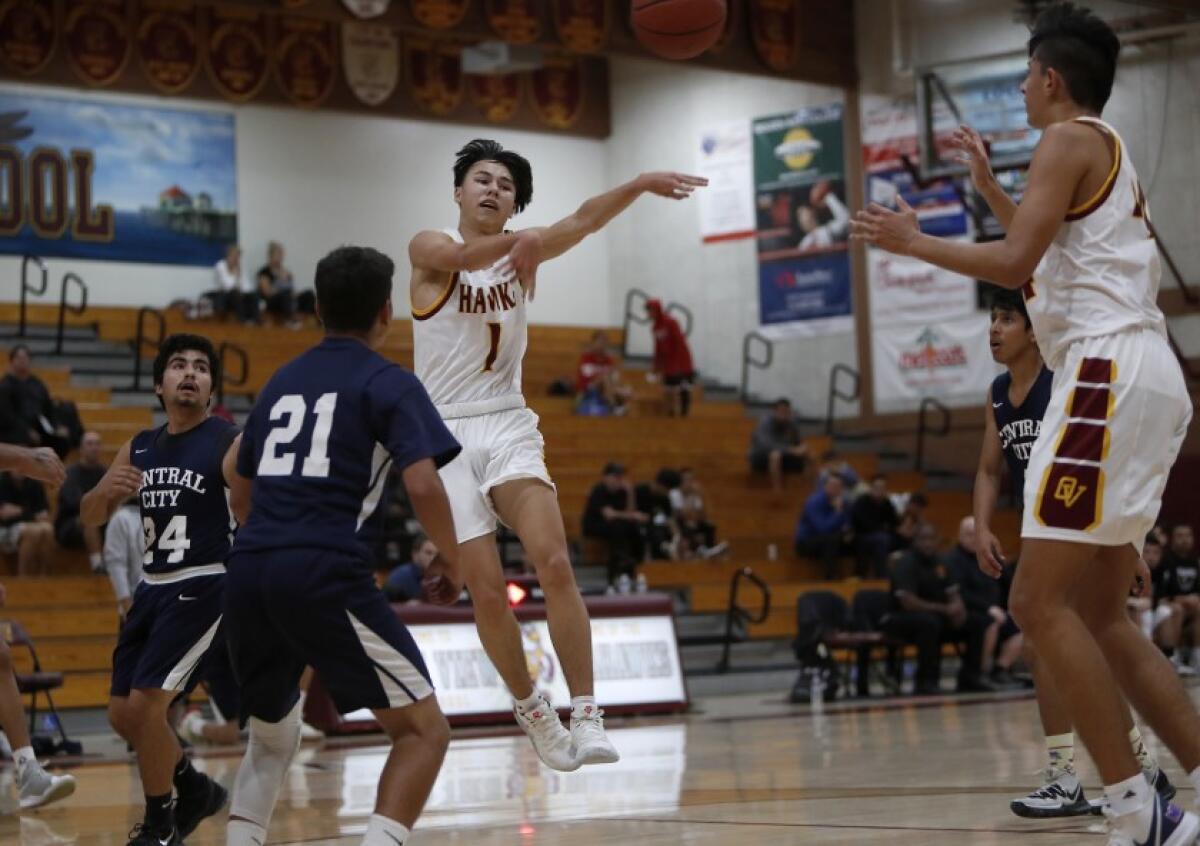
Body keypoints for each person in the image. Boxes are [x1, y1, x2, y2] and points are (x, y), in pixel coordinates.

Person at [854, 4, 1199, 839]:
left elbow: (1013, 266)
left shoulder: (1067, 138)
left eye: (1023, 75)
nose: (1018, 87)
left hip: (1103, 376)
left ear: (1050, 78)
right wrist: (987, 190)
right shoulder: (1096, 153)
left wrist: (915, 241)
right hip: (1149, 376)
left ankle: (1134, 807)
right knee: (1102, 613)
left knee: (1037, 602)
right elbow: (1045, 252)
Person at [407, 138, 704, 770]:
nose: (493, 189)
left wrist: (641, 179)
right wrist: (525, 243)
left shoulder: (525, 247)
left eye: (506, 185)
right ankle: (533, 710)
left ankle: (588, 710)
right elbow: (460, 255)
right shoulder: (427, 246)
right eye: (482, 180)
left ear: (515, 203)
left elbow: (585, 219)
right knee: (486, 591)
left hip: (508, 420)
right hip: (442, 434)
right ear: (458, 192)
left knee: (555, 561)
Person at [223, 246, 463, 846]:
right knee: (424, 732)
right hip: (324, 568)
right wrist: (452, 556)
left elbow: (237, 476)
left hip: (249, 571)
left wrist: (265, 540)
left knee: (274, 736)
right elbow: (424, 482)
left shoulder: (282, 379)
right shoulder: (388, 382)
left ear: (318, 310)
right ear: (387, 312)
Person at [975, 286, 1172, 817]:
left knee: (1055, 643)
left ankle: (1072, 777)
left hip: (1084, 527)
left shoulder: (1062, 384)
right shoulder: (997, 393)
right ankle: (1138, 767)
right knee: (1074, 646)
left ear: (1034, 329)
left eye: (1006, 319)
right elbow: (990, 468)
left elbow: (1107, 465)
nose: (994, 329)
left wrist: (1126, 546)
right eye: (992, 319)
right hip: (1043, 532)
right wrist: (983, 525)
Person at [81, 334, 237, 846]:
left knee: (150, 707)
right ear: (158, 385)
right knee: (122, 715)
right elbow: (89, 513)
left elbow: (258, 507)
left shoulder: (226, 441)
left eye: (201, 366)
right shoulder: (140, 446)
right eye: (178, 365)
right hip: (153, 588)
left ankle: (159, 825)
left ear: (211, 388)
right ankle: (194, 787)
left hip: (204, 584)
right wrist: (105, 493)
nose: (190, 372)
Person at [883, 524, 992, 694]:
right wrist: (944, 609)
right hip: (900, 618)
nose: (927, 543)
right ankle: (925, 681)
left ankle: (970, 677)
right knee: (929, 623)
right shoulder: (905, 562)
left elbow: (953, 591)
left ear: (937, 540)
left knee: (977, 621)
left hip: (937, 616)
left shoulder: (941, 562)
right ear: (915, 541)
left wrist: (959, 608)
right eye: (923, 539)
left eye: (931, 539)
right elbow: (907, 602)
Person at [944, 516, 1023, 685]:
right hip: (969, 612)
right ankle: (980, 672)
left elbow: (1008, 585)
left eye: (976, 534)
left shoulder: (989, 557)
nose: (973, 539)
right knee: (989, 623)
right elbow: (960, 593)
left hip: (996, 611)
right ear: (960, 536)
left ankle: (1001, 669)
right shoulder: (952, 560)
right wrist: (988, 608)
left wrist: (1000, 560)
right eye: (969, 534)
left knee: (1021, 626)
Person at [0, 344, 73, 457]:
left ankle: (51, 473)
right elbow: (7, 416)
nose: (23, 361)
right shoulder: (5, 385)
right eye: (19, 358)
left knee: (62, 441)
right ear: (11, 361)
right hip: (13, 431)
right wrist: (27, 431)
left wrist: (57, 426)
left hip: (38, 427)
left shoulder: (37, 384)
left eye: (25, 358)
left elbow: (48, 409)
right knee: (24, 440)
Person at [582, 463, 648, 580]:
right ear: (606, 477)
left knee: (632, 527)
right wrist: (632, 516)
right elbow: (609, 515)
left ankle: (634, 561)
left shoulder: (622, 492)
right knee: (618, 527)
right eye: (616, 476)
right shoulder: (599, 490)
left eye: (620, 477)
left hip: (614, 526)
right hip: (595, 525)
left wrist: (630, 492)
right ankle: (616, 569)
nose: (619, 480)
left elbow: (629, 511)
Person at [55, 430, 107, 573]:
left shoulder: (105, 473)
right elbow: (75, 503)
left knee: (124, 518)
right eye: (89, 444)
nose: (94, 447)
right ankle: (98, 565)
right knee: (89, 519)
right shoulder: (70, 474)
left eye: (97, 444)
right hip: (69, 525)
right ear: (81, 449)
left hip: (102, 521)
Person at [1153, 525, 1200, 674]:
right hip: (1163, 606)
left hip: (1189, 610)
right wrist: (1177, 599)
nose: (1184, 540)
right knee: (1177, 610)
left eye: (1188, 536)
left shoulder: (1195, 562)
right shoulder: (1164, 560)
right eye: (1180, 536)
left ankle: (1196, 656)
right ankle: (1172, 657)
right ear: (1173, 539)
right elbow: (1155, 591)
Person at [793, 473, 851, 580]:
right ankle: (831, 577)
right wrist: (837, 513)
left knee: (856, 539)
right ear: (825, 486)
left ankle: (860, 576)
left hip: (830, 538)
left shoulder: (843, 502)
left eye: (838, 486)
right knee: (831, 540)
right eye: (832, 485)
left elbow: (847, 524)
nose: (835, 489)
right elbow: (822, 528)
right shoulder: (814, 501)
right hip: (807, 542)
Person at [645, 299, 695, 417]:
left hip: (681, 359)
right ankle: (670, 413)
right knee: (669, 387)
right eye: (647, 311)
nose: (648, 314)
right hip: (669, 361)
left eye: (650, 310)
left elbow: (679, 341)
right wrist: (656, 367)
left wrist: (678, 363)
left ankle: (684, 413)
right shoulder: (655, 328)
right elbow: (658, 348)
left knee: (684, 387)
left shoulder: (671, 322)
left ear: (657, 310)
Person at [0, 471, 54, 576]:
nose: (20, 469)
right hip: (5, 529)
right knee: (33, 531)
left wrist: (19, 511)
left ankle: (44, 577)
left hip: (30, 525)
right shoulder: (2, 481)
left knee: (48, 530)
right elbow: (4, 514)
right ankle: (23, 576)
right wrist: (31, 514)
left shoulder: (35, 483)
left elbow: (44, 514)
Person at [748, 398, 808, 491]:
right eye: (781, 411)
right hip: (761, 456)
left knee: (808, 453)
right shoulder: (765, 422)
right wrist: (790, 450)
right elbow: (765, 445)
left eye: (786, 411)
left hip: (784, 456)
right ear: (774, 411)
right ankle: (777, 491)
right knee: (775, 455)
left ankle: (811, 489)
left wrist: (802, 448)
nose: (783, 414)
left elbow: (797, 443)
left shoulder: (792, 423)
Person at [670, 468, 727, 560]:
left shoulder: (695, 495)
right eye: (687, 480)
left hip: (693, 522)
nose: (690, 483)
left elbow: (703, 516)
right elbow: (683, 515)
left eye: (691, 480)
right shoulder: (675, 493)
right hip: (679, 523)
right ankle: (690, 552)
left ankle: (709, 550)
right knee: (687, 526)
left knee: (709, 525)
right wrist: (689, 500)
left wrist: (700, 495)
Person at [850, 474, 900, 578]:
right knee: (882, 539)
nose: (879, 490)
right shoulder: (862, 501)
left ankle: (898, 574)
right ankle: (882, 575)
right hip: (862, 536)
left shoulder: (887, 503)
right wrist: (883, 528)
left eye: (882, 488)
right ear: (871, 488)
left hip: (880, 536)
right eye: (877, 487)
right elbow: (863, 524)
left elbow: (894, 522)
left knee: (896, 538)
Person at [104, 495, 144, 622]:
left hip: (165, 610)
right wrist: (127, 608)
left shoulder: (165, 515)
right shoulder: (122, 518)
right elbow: (116, 565)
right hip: (135, 607)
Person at [575, 330, 632, 416]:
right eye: (600, 341)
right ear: (593, 342)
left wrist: (622, 388)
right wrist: (606, 378)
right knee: (605, 378)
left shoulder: (609, 360)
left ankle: (617, 404)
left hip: (606, 390)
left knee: (626, 389)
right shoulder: (586, 358)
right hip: (588, 390)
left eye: (605, 342)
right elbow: (588, 381)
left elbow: (615, 378)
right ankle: (613, 405)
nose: (602, 345)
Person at [256, 241, 301, 329]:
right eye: (278, 254)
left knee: (308, 294)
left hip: (287, 297)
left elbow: (292, 291)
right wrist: (279, 280)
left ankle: (320, 323)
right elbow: (267, 292)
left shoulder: (286, 272)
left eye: (281, 254)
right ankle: (289, 320)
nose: (280, 257)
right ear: (270, 256)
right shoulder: (264, 272)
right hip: (272, 301)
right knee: (285, 294)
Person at [384, 534, 439, 603]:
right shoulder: (400, 577)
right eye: (428, 553)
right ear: (415, 555)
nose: (433, 558)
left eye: (437, 554)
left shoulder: (443, 576)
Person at [211, 244, 257, 324]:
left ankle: (256, 321)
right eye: (234, 255)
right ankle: (242, 320)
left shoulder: (241, 267)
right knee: (235, 294)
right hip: (224, 295)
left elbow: (247, 286)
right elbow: (228, 286)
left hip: (240, 293)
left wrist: (242, 289)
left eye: (238, 256)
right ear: (228, 255)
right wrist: (236, 276)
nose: (236, 258)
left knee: (253, 295)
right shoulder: (220, 266)